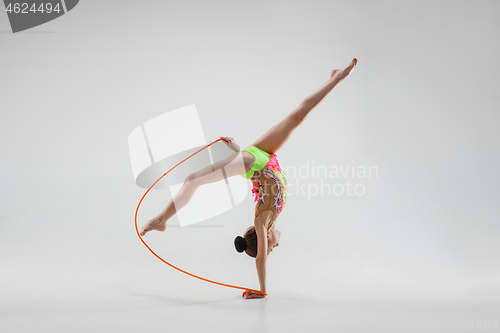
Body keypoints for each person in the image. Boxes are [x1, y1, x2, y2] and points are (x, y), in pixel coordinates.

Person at [140, 58, 358, 299]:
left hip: (253, 162)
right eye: (273, 247)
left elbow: (261, 258)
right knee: (298, 117)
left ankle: (161, 219)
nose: (276, 246)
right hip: (264, 156)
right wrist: (237, 151)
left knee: (193, 179)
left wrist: (261, 290)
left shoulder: (262, 222)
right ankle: (336, 79)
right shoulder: (271, 219)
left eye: (271, 247)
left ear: (263, 238)